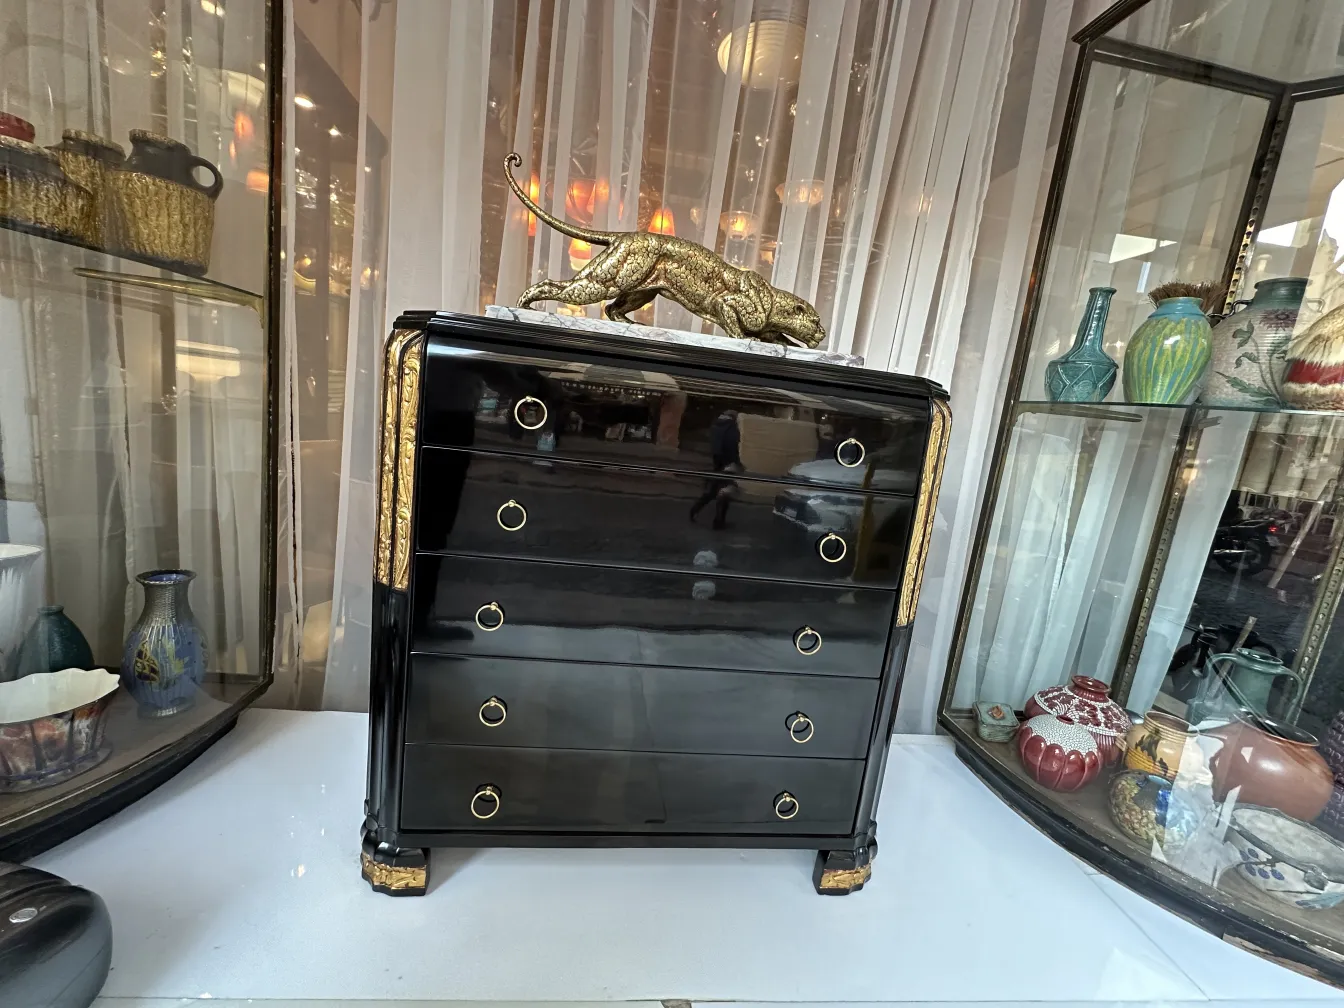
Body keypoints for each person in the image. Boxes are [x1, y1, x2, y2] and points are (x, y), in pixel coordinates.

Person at [689, 410, 742, 530]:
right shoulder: (731, 427)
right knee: (725, 493)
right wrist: (736, 462)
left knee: (713, 490)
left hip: (717, 462)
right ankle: (718, 522)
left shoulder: (716, 425)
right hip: (728, 463)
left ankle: (694, 510)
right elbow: (732, 445)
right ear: (733, 417)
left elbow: (715, 445)